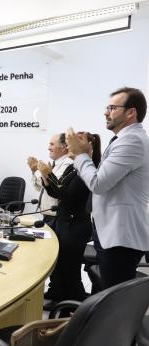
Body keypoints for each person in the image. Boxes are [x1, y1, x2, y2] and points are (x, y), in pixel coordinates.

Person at [66, 87, 149, 290]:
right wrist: (86, 152)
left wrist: (80, 155)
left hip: (120, 236)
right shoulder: (124, 140)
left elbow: (98, 184)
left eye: (112, 107)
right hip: (112, 230)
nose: (106, 112)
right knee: (107, 294)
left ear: (131, 112)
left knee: (113, 301)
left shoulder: (132, 141)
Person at [39, 132, 101, 304]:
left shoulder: (88, 169)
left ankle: (73, 306)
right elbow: (56, 192)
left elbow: (68, 195)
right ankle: (60, 297)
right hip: (64, 222)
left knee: (70, 271)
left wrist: (49, 175)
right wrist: (46, 176)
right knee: (60, 267)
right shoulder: (72, 167)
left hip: (75, 226)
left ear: (87, 146)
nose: (68, 147)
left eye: (72, 143)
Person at [27, 134, 73, 228]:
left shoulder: (67, 164)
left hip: (56, 217)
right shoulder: (54, 164)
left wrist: (36, 170)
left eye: (52, 144)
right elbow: (39, 187)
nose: (48, 148)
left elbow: (52, 186)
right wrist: (34, 170)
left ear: (63, 147)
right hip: (48, 215)